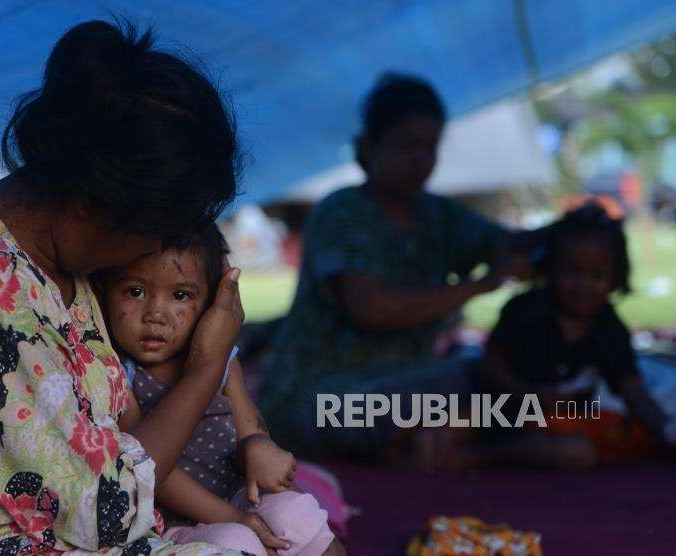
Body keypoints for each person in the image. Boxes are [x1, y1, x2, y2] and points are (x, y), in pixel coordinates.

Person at [0, 20, 248, 554]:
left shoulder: (59, 269)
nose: (150, 252)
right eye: (156, 231)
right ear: (98, 203)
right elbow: (106, 514)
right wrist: (206, 365)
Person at [257, 74, 535, 464]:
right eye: (407, 146)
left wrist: (571, 232)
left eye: (431, 147)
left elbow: (510, 243)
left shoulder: (437, 215)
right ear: (368, 148)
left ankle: (444, 440)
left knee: (495, 377)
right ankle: (463, 446)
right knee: (474, 380)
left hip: (398, 389)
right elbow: (373, 308)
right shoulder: (343, 212)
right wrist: (479, 285)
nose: (421, 160)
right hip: (319, 401)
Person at [101, 225, 342, 555]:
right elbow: (149, 470)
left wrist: (259, 449)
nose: (155, 314)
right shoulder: (118, 374)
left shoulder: (222, 359)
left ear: (213, 302)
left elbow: (250, 430)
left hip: (239, 495)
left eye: (180, 296)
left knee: (297, 515)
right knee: (235, 544)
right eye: (135, 292)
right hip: (169, 521)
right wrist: (235, 519)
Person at [477, 205, 676, 467]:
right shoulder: (525, 311)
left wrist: (666, 434)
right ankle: (476, 454)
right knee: (458, 420)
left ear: (616, 277)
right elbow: (490, 371)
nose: (583, 286)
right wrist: (531, 396)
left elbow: (633, 393)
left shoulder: (609, 327)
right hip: (506, 411)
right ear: (550, 268)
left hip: (561, 422)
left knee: (584, 448)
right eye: (572, 272)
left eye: (597, 275)